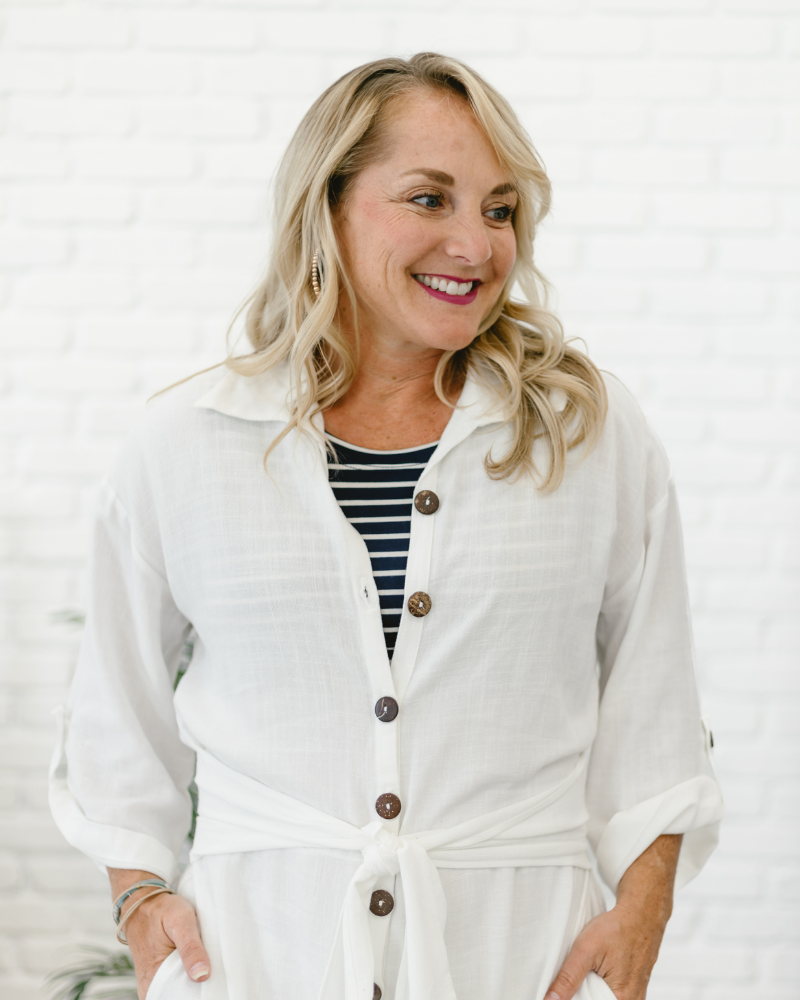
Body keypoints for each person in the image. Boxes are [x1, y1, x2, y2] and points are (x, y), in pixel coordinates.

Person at [49, 53, 723, 1000]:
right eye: (429, 199)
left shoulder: (587, 434)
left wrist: (641, 914)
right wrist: (139, 896)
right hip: (256, 953)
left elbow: (655, 701)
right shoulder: (184, 444)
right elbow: (114, 711)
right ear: (327, 205)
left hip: (522, 954)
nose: (478, 246)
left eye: (498, 209)